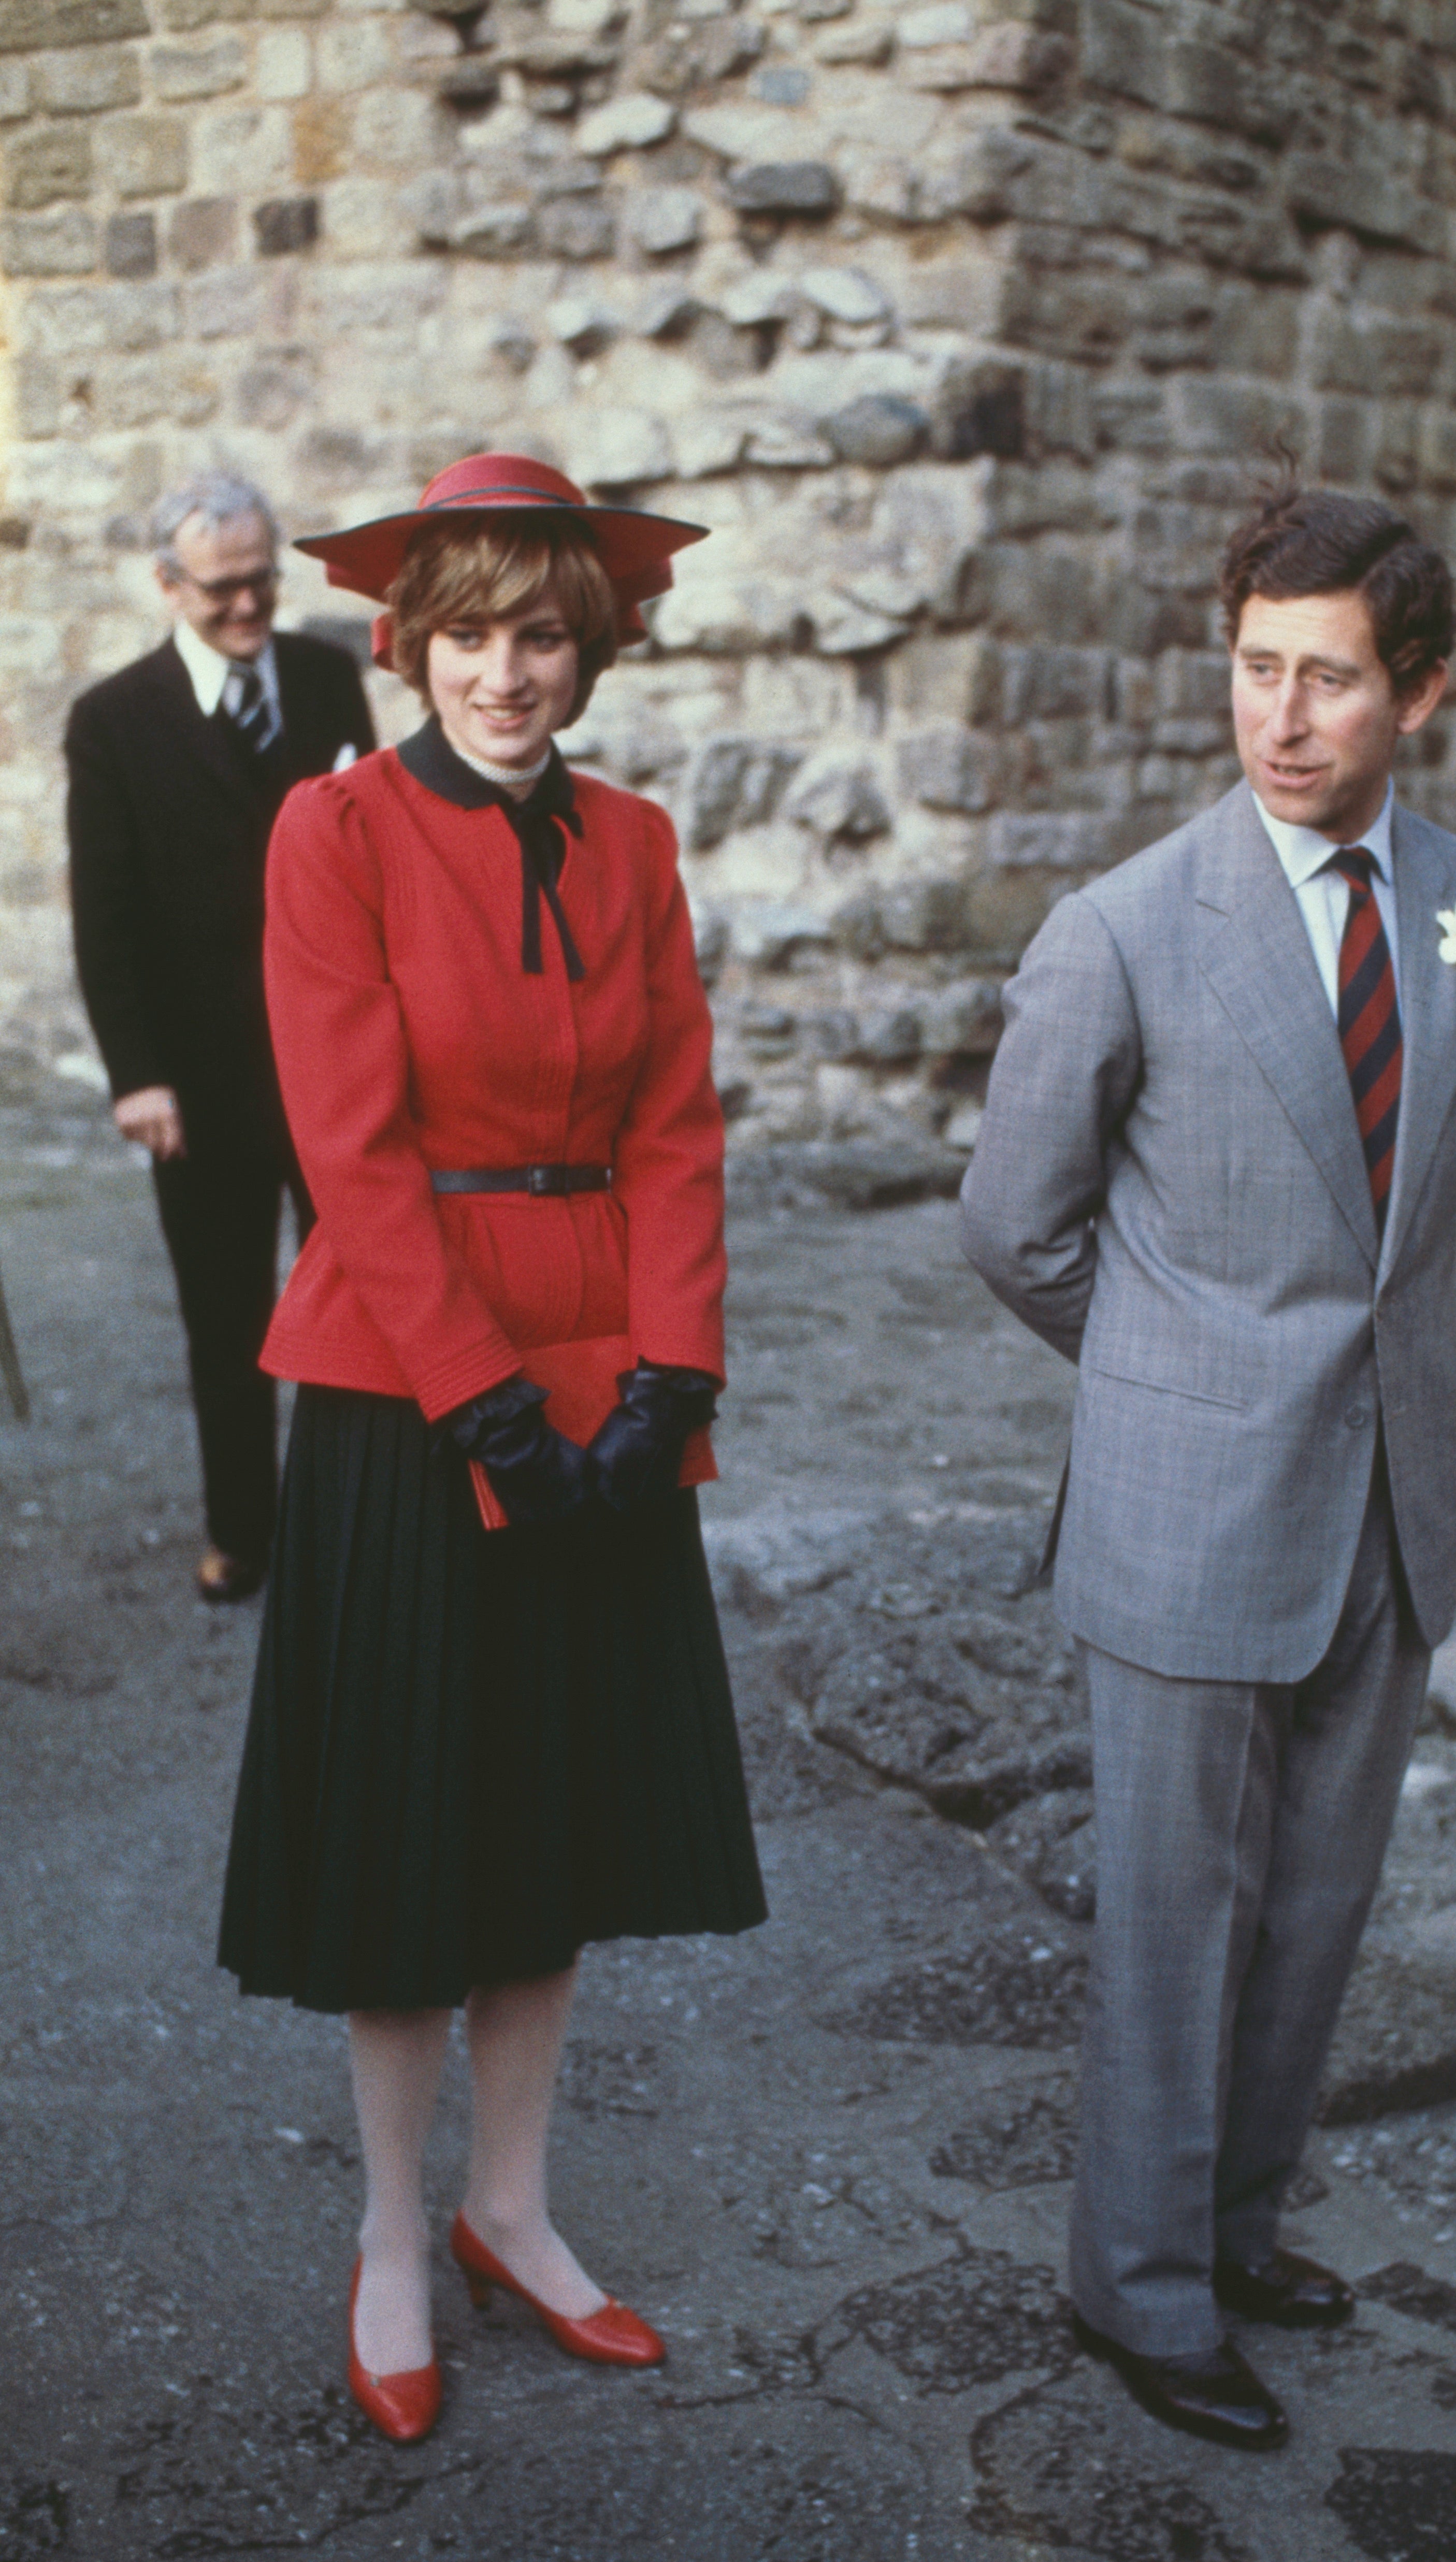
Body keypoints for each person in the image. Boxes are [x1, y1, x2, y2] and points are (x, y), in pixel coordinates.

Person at [215, 453, 766, 2446]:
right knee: (413, 1827)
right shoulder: (332, 828)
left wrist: (669, 1375)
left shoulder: (630, 841)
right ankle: (387, 2230)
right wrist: (479, 1397)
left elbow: (679, 1122)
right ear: (408, 642)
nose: (504, 673)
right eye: (467, 632)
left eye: (542, 632)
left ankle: (511, 2206)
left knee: (555, 1811)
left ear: (588, 648)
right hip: (405, 1377)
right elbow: (347, 1149)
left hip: (606, 1373)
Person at [959, 483, 1456, 2453]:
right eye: (1254, 669)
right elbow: (1013, 1224)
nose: (1280, 716)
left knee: (1316, 1905)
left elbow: (1406, 1219)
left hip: (1388, 1496)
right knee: (1175, 1917)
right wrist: (1173, 1385)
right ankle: (1142, 2291)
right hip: (1188, 1498)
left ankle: (1232, 2221)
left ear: (1417, 694)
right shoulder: (1117, 929)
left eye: (1330, 680)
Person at [66, 473, 377, 1602]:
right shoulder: (111, 720)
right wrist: (136, 1075)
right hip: (195, 1081)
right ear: (167, 585)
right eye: (223, 589)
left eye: (263, 582)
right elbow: (105, 914)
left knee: (366, 1297)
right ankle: (245, 1532)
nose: (249, 607)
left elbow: (370, 858)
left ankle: (366, 1523)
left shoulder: (331, 679)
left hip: (333, 1062)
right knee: (227, 1318)